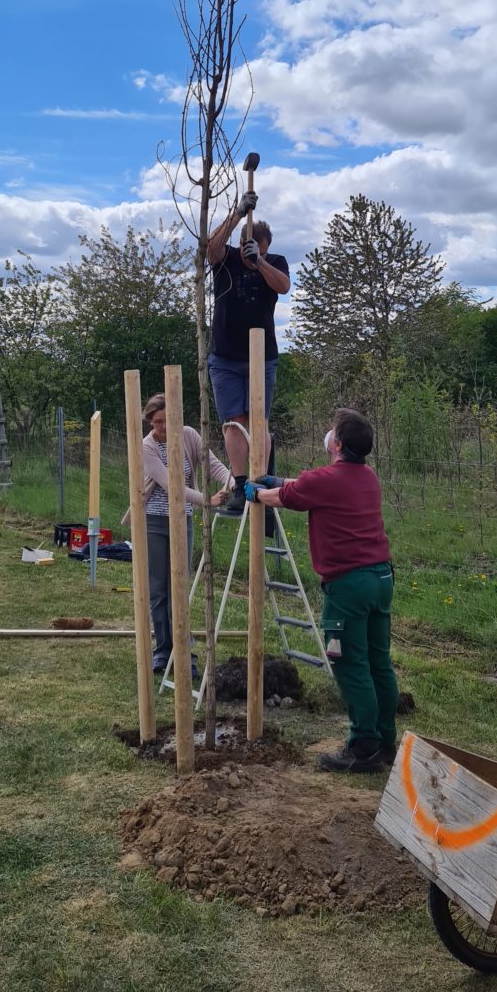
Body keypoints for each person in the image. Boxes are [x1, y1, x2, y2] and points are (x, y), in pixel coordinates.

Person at [245, 407, 399, 774]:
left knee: (350, 664)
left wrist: (256, 493)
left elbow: (287, 497)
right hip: (380, 580)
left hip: (349, 586)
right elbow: (305, 487)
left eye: (331, 430)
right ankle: (385, 741)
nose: (328, 435)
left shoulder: (327, 478)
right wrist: (277, 480)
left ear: (339, 443)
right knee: (379, 663)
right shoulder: (368, 476)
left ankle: (362, 748)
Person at [122, 394, 231, 675]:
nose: (162, 427)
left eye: (167, 421)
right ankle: (162, 650)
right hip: (154, 522)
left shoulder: (188, 435)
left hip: (183, 520)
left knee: (180, 588)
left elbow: (212, 463)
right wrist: (208, 499)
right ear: (149, 422)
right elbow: (171, 485)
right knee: (159, 589)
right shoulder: (147, 447)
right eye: (156, 422)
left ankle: (185, 653)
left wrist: (234, 480)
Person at [207, 190, 290, 516]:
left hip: (262, 357)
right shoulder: (225, 257)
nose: (255, 255)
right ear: (240, 244)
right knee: (233, 423)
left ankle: (261, 483)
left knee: (259, 423)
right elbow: (209, 249)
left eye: (262, 250)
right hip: (225, 357)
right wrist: (238, 213)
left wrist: (260, 263)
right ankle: (241, 488)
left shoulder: (274, 263)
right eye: (251, 249)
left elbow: (282, 286)